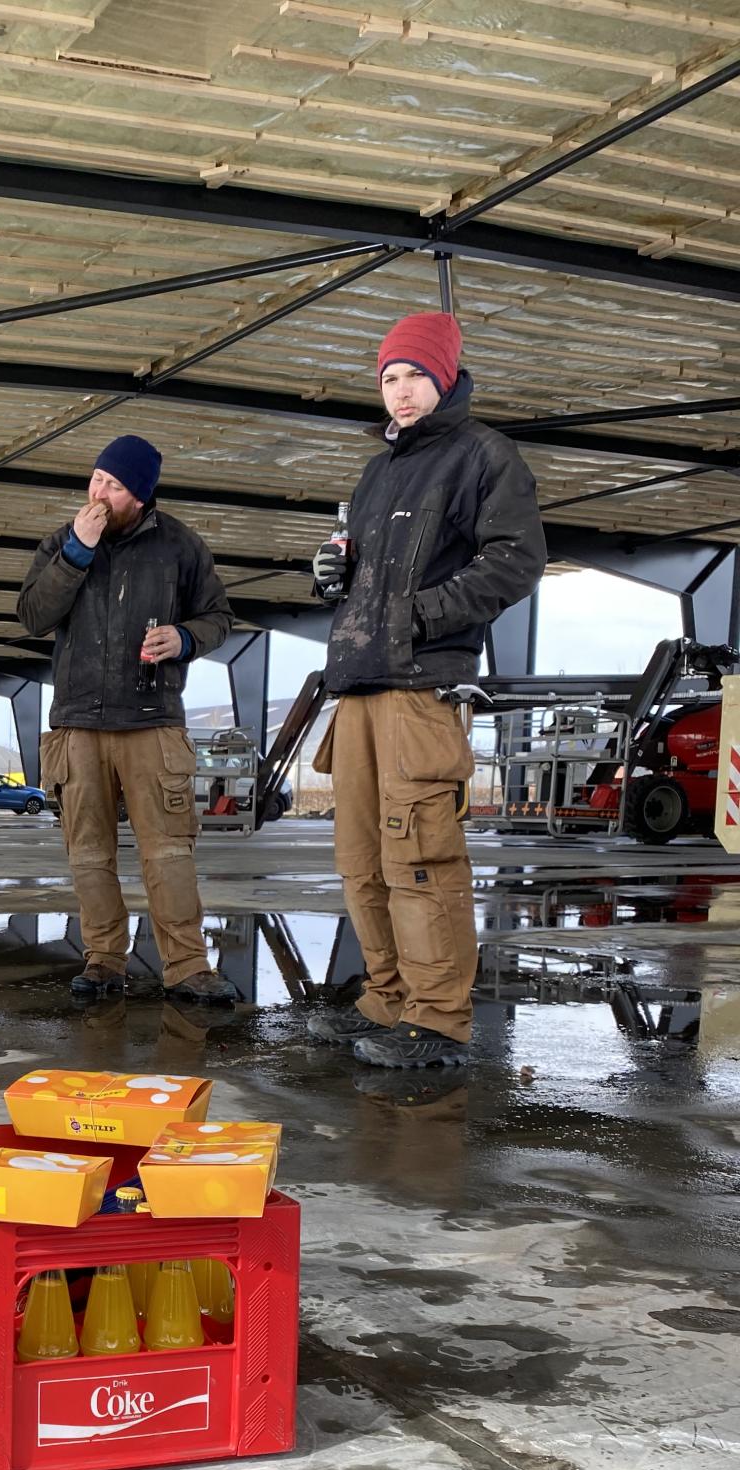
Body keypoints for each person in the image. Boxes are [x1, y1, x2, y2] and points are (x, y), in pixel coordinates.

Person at [309, 312, 546, 1070]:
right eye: (389, 378)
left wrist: (422, 614)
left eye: (414, 375)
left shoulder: (483, 455)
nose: (401, 392)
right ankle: (387, 1000)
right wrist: (335, 577)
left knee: (420, 861)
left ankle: (438, 1017)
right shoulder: (378, 472)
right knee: (362, 861)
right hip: (358, 684)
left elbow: (515, 560)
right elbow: (368, 574)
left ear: (443, 378)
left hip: (421, 685)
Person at [16, 434, 238, 1004]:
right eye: (96, 479)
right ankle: (103, 961)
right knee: (88, 853)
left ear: (139, 495)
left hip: (150, 720)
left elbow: (218, 617)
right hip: (78, 723)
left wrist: (184, 638)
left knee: (167, 852)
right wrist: (75, 554)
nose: (99, 492)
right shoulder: (62, 544)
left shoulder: (180, 547)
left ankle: (188, 967)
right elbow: (34, 615)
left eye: (114, 485)